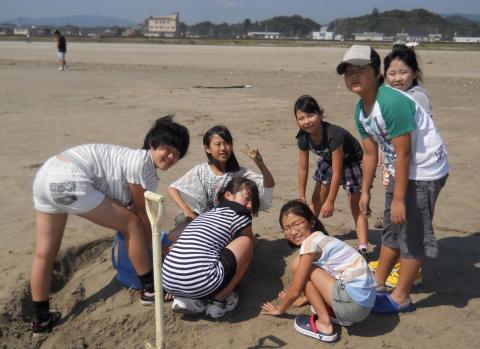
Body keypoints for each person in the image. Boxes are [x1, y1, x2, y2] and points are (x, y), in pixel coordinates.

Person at [29, 116, 189, 335]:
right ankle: (150, 289)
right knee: (131, 224)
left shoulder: (128, 158)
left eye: (177, 154)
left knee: (44, 254)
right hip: (70, 179)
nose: (171, 157)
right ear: (151, 144)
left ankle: (41, 318)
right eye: (166, 149)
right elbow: (142, 217)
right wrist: (157, 249)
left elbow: (129, 204)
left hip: (46, 176)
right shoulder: (142, 163)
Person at [337, 45, 449, 314]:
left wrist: (399, 198)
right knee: (390, 228)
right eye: (348, 72)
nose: (354, 77)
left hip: (424, 171)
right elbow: (369, 153)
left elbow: (405, 153)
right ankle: (378, 284)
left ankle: (401, 297)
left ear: (377, 73)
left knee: (411, 234)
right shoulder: (360, 109)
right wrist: (365, 191)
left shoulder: (392, 102)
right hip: (399, 170)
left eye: (360, 70)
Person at [261, 200, 375, 343]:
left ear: (311, 222)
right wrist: (303, 299)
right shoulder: (322, 237)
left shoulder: (310, 244)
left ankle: (324, 324)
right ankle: (333, 311)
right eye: (287, 228)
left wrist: (280, 309)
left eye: (297, 224)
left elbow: (295, 289)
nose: (293, 231)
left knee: (298, 265)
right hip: (366, 302)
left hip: (353, 305)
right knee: (310, 266)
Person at [162, 177, 259, 319]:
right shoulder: (239, 214)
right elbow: (250, 240)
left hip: (168, 280)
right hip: (202, 281)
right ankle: (219, 301)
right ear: (228, 196)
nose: (250, 205)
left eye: (253, 202)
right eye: (247, 198)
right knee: (246, 243)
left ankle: (186, 298)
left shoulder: (205, 215)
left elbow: (172, 236)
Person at [166, 125, 274, 242]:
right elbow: (172, 188)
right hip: (205, 220)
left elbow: (268, 184)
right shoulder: (201, 170)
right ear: (207, 148)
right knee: (182, 219)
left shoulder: (239, 173)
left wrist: (260, 163)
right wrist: (186, 209)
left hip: (229, 223)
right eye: (217, 144)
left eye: (227, 143)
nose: (223, 148)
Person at [294, 95, 370, 259]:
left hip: (352, 162)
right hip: (328, 161)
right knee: (315, 201)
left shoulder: (333, 134)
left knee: (356, 207)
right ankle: (308, 239)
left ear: (320, 115)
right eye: (301, 118)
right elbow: (303, 168)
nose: (307, 121)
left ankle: (363, 247)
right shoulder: (303, 137)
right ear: (297, 121)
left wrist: (330, 201)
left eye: (310, 115)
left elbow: (338, 171)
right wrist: (301, 195)